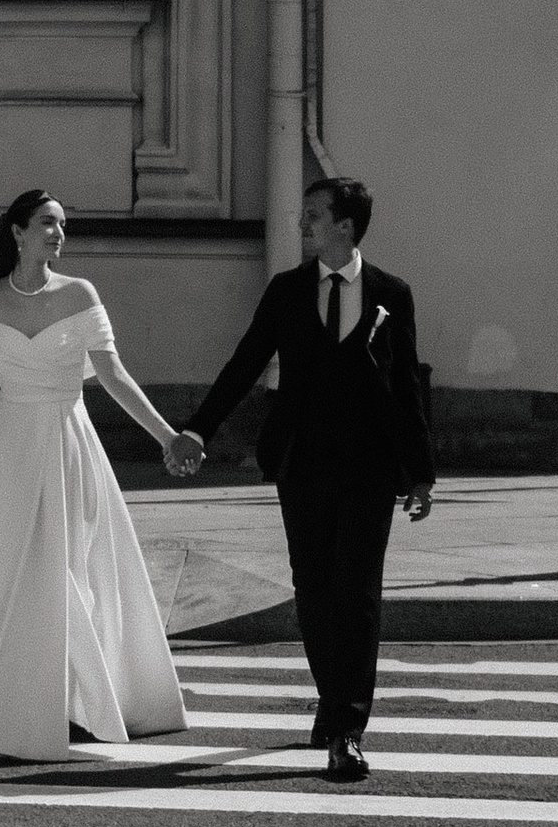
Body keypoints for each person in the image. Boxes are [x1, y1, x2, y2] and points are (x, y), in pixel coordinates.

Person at [0, 188, 190, 760]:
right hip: (8, 445)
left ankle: (81, 697)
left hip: (67, 440)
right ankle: (16, 698)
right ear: (17, 232)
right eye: (47, 223)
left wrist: (167, 435)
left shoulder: (80, 294)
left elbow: (113, 376)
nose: (58, 234)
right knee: (11, 567)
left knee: (71, 566)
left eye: (62, 225)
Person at [173, 175, 434, 784]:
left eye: (313, 215)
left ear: (345, 224)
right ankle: (331, 695)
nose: (301, 223)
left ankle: (347, 729)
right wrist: (199, 431)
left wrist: (420, 473)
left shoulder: (392, 294)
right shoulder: (288, 290)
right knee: (314, 591)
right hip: (303, 463)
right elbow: (245, 362)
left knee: (359, 591)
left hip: (370, 468)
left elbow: (407, 388)